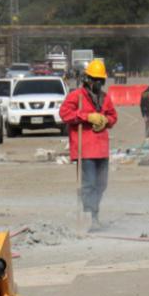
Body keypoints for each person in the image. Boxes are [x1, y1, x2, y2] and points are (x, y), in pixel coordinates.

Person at [60, 59, 118, 228]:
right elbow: (64, 113)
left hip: (101, 149)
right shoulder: (76, 96)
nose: (98, 83)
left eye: (101, 80)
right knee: (89, 184)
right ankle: (89, 215)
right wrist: (86, 117)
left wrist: (106, 120)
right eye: (96, 80)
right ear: (88, 80)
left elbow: (114, 116)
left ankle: (94, 212)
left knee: (101, 184)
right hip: (84, 149)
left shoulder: (105, 98)